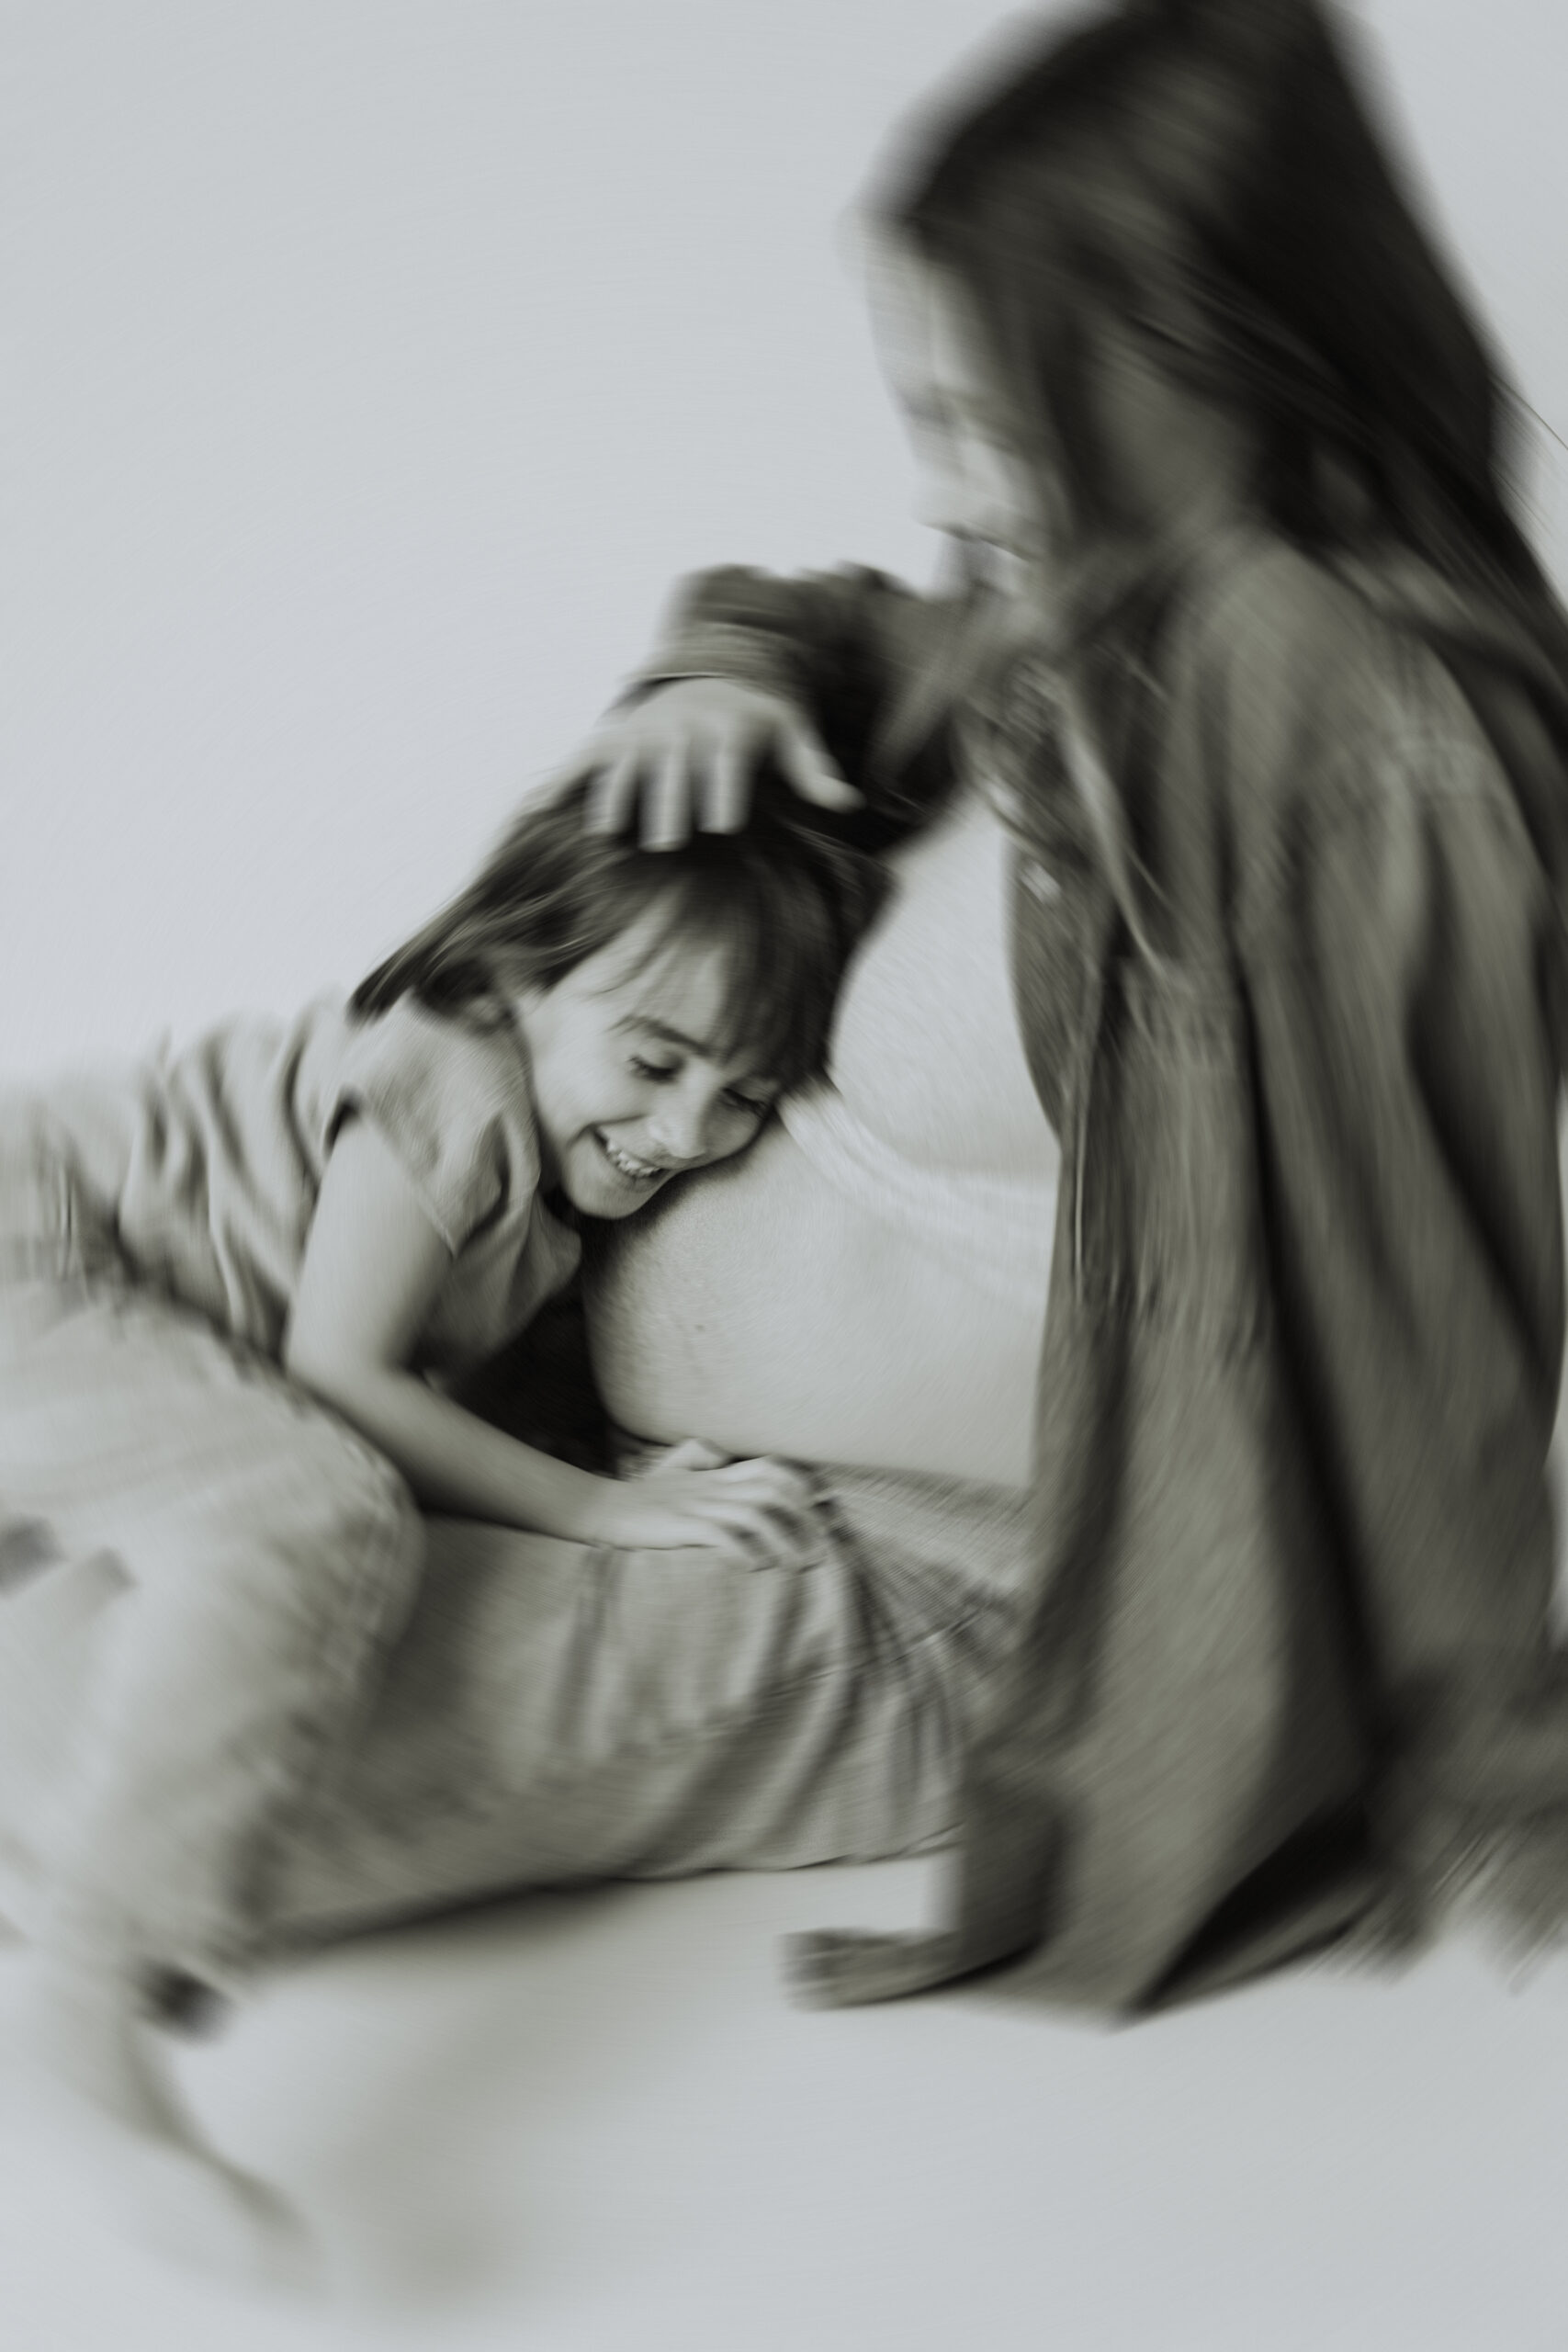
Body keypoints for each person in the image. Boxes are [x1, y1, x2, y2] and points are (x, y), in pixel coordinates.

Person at [549, 0, 1568, 2009]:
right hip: (538, 1394)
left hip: (877, 1577)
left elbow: (1414, 1290)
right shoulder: (1073, 619)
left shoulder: (1339, 732)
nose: (943, 489)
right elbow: (842, 608)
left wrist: (1491, 1757)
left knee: (115, 1707)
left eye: (982, 425)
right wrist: (724, 664)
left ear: (1199, 375)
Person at [0, 775, 883, 2275]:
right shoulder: (456, 1093)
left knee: (170, 1539)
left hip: (89, 1303)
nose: (687, 1127)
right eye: (656, 1059)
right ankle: (88, 1992)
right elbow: (343, 1378)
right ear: (515, 982)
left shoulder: (546, 1182)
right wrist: (619, 1516)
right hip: (36, 1242)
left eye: (743, 1095)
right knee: (307, 1504)